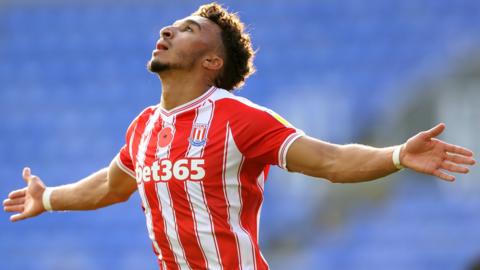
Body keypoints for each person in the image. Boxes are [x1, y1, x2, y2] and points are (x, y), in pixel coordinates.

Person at [3, 3, 476, 270]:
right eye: (172, 25)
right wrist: (49, 199)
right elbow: (111, 186)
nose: (166, 29)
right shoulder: (144, 126)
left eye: (187, 30)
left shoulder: (238, 118)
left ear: (212, 62)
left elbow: (330, 161)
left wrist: (395, 154)